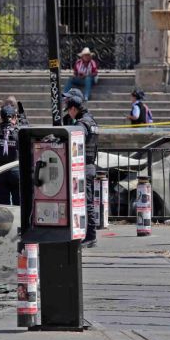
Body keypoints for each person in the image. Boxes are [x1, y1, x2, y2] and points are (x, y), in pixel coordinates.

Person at [63, 88, 99, 248]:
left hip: (83, 167)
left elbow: (77, 139)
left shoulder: (82, 123)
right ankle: (85, 234)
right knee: (85, 202)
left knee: (86, 203)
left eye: (68, 109)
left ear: (73, 109)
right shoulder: (90, 119)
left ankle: (90, 236)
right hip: (88, 166)